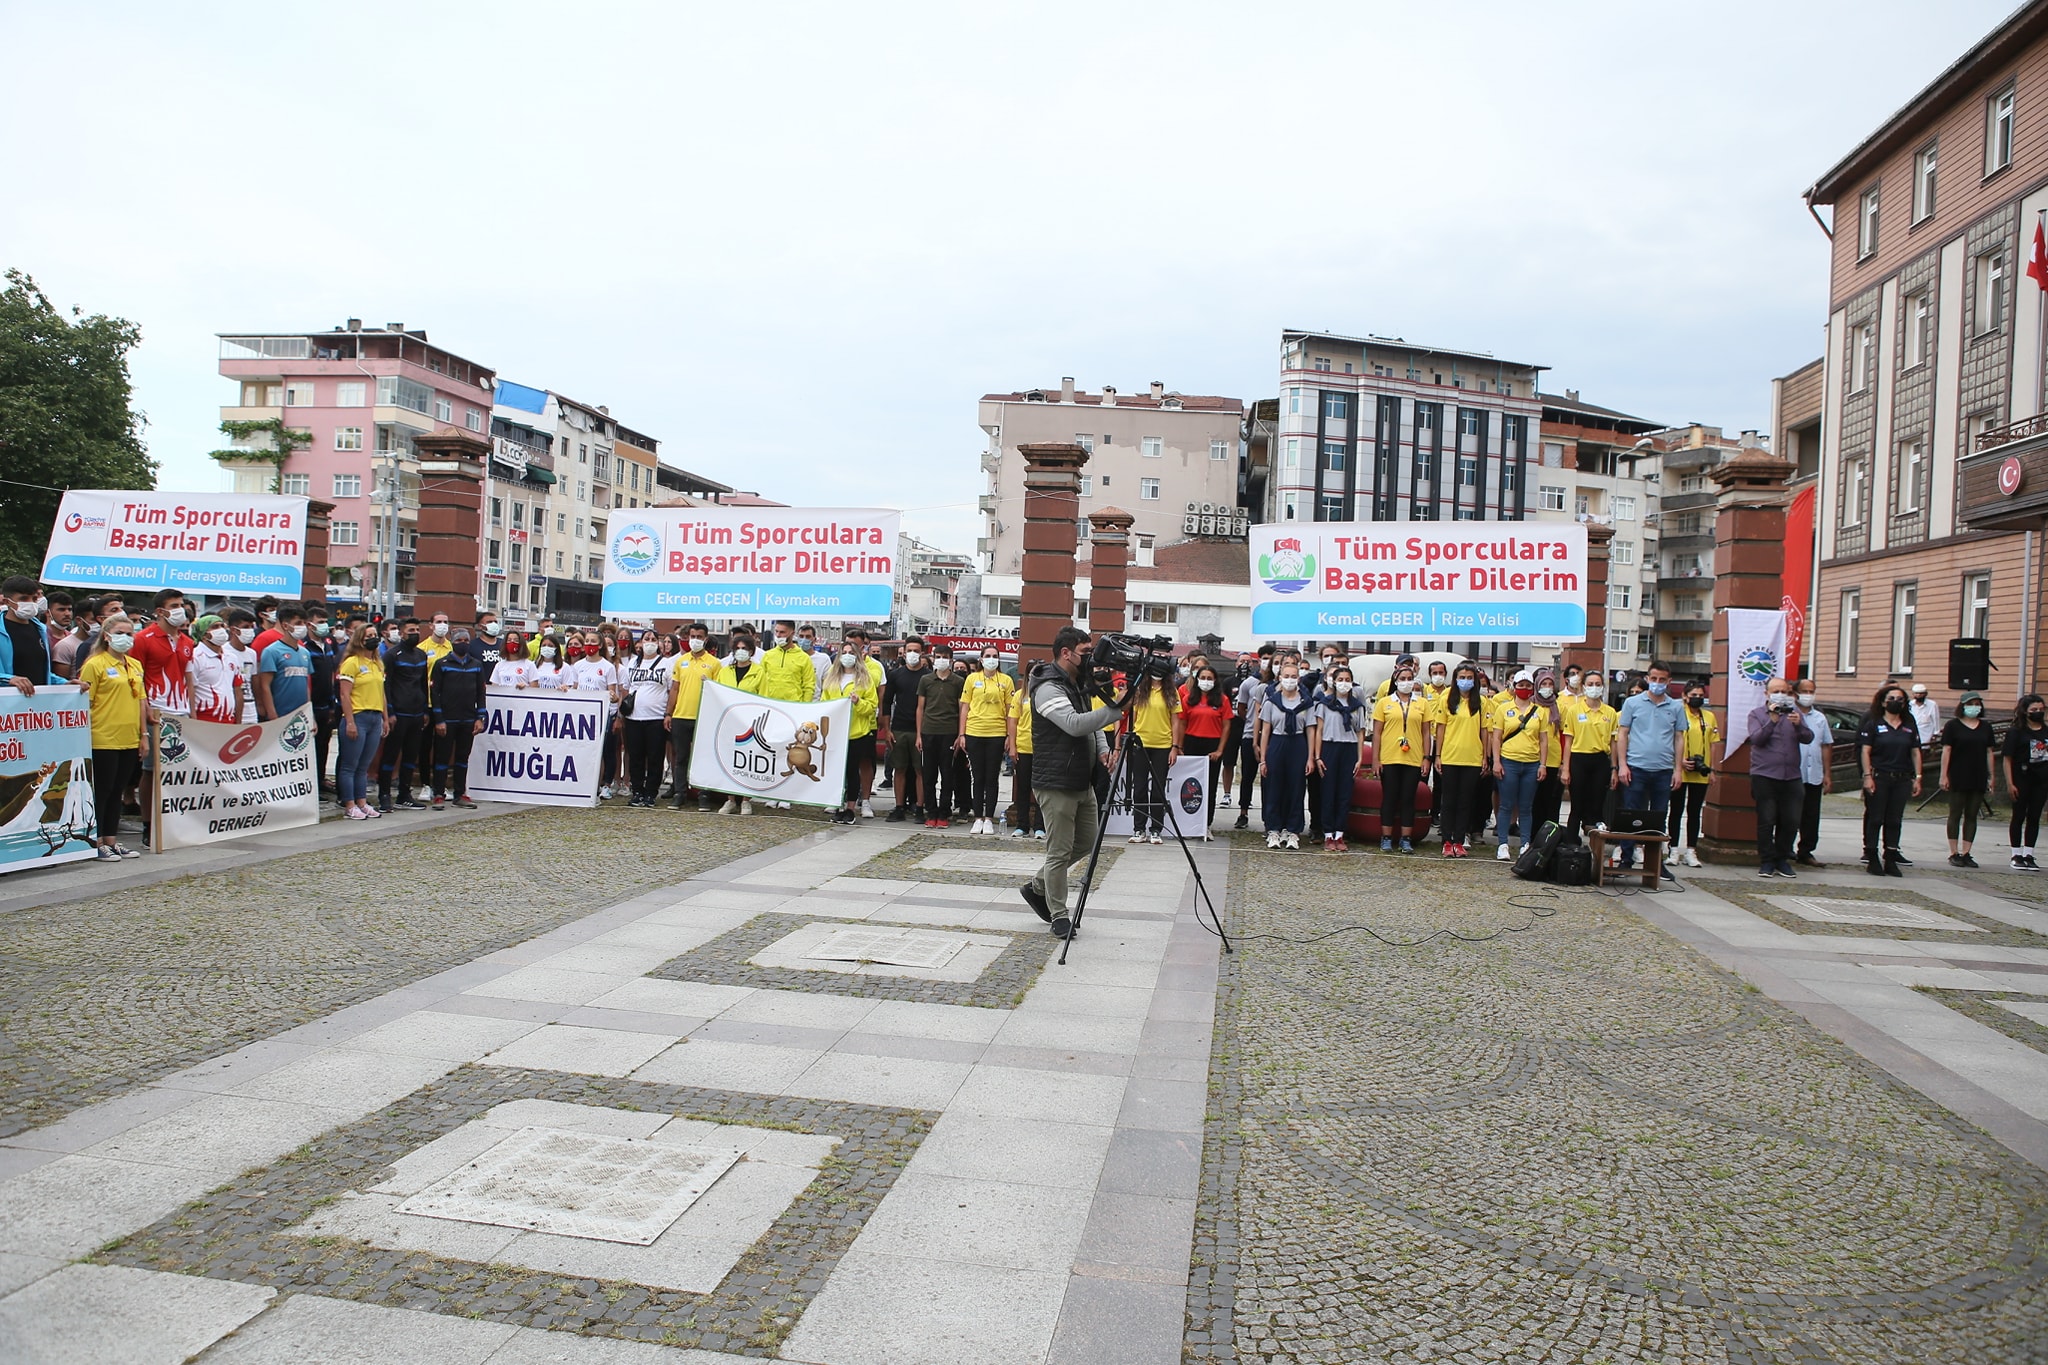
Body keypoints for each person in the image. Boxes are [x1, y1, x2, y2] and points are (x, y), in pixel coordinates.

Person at [1018, 627, 1124, 939]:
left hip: (1081, 778)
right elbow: (1075, 725)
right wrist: (1117, 710)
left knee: (1087, 841)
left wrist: (1103, 749)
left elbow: (1092, 724)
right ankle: (1059, 915)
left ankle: (1038, 886)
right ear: (1066, 653)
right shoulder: (1048, 687)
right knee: (1059, 851)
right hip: (1056, 782)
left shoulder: (1077, 683)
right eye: (1085, 652)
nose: (1091, 657)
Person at [77, 613, 145, 860]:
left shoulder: (134, 664)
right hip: (103, 736)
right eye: (119, 633)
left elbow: (141, 700)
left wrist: (143, 735)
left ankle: (111, 839)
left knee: (118, 790)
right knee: (103, 790)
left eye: (129, 633)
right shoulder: (95, 664)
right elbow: (85, 702)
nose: (125, 638)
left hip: (128, 737)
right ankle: (96, 841)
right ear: (106, 636)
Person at [1614, 662, 1687, 881]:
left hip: (1663, 769)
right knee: (1631, 816)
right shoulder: (1632, 703)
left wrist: (1678, 769)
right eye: (1653, 679)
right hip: (1636, 767)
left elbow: (1679, 738)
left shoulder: (1676, 707)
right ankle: (1626, 858)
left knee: (1659, 817)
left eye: (1662, 679)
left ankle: (1656, 863)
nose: (1657, 683)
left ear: (1669, 681)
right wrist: (1622, 765)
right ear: (1647, 678)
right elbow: (1622, 733)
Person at [1747, 678, 1813, 878]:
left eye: (1785, 691)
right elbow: (1756, 739)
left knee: (1791, 820)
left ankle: (1782, 858)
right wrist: (1772, 720)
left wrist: (1799, 725)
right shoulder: (1757, 714)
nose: (1781, 695)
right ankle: (1767, 861)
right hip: (1765, 774)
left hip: (1791, 776)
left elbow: (1808, 738)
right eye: (1776, 691)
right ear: (1766, 694)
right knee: (1767, 819)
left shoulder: (1795, 713)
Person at [1488, 669, 1555, 864]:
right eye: (1521, 685)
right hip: (1509, 761)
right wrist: (1497, 761)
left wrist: (1543, 764)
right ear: (1514, 686)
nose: (1524, 688)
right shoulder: (1503, 709)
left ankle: (1525, 843)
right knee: (1506, 805)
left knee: (1526, 806)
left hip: (1531, 763)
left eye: (1528, 685)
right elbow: (1496, 737)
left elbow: (1543, 740)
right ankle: (1503, 844)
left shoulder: (1539, 711)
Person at [1859, 682, 1921, 877]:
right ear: (1883, 702)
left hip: (1902, 778)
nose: (1896, 702)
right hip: (1880, 777)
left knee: (1894, 820)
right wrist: (1867, 776)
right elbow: (1865, 751)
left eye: (1900, 699)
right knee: (1876, 818)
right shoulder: (1874, 724)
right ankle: (1872, 856)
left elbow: (1916, 752)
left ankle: (1891, 857)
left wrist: (1918, 777)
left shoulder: (1908, 726)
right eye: (1891, 699)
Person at [958, 645, 1016, 835]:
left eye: (995, 656)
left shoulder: (1006, 680)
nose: (992, 659)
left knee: (992, 777)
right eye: (988, 656)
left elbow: (1010, 711)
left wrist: (1009, 736)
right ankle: (977, 818)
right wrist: (962, 734)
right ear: (981, 659)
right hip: (974, 731)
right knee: (978, 777)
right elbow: (965, 707)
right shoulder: (972, 679)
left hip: (996, 733)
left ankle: (989, 818)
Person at [1119, 666, 1180, 845]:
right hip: (1140, 743)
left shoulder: (1171, 691)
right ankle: (1139, 828)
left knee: (1158, 789)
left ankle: (1156, 829)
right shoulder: (1140, 690)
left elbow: (1175, 721)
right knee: (1139, 788)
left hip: (1163, 745)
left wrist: (1175, 747)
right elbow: (1131, 716)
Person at [1432, 663, 1487, 859]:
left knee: (1466, 801)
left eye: (1469, 677)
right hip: (1450, 756)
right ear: (1455, 679)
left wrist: (1485, 756)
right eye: (1462, 677)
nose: (1466, 681)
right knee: (1448, 801)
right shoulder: (1446, 698)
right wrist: (1438, 755)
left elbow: (1485, 730)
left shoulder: (1481, 701)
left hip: (1472, 758)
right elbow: (1440, 728)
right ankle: (1447, 841)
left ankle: (1459, 840)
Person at [1371, 663, 1429, 853]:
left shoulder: (1422, 703)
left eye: (1409, 679)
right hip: (1389, 757)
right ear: (1395, 681)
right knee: (1389, 797)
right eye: (1402, 679)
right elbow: (1377, 733)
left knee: (1408, 799)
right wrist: (1376, 759)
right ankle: (1386, 837)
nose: (1406, 682)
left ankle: (1406, 839)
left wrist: (1426, 757)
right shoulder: (1384, 702)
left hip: (1413, 758)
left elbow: (1426, 732)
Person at [1256, 660, 1313, 849]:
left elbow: (1310, 730)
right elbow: (1265, 731)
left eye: (1293, 676)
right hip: (1277, 743)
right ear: (1280, 678)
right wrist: (1263, 759)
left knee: (1296, 788)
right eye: (1286, 676)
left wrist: (1310, 757)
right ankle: (1273, 829)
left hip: (1297, 744)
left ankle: (1293, 830)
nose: (1290, 680)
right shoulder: (1272, 702)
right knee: (1274, 787)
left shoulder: (1306, 703)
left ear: (1299, 679)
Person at [335, 623, 389, 820]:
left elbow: (381, 693)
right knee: (350, 765)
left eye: (375, 635)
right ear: (360, 640)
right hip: (358, 716)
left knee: (364, 765)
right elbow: (344, 694)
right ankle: (349, 805)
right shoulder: (351, 663)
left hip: (375, 717)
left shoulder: (377, 663)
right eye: (369, 636)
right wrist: (350, 721)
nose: (373, 639)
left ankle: (362, 802)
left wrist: (385, 718)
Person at [822, 642, 880, 825]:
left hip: (856, 732)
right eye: (844, 652)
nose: (847, 656)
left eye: (851, 653)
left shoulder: (865, 679)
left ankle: (850, 808)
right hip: (836, 732)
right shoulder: (831, 678)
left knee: (852, 771)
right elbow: (824, 702)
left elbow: (872, 707)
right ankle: (838, 806)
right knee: (837, 772)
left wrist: (858, 702)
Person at [429, 626, 487, 809]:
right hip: (447, 719)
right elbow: (434, 693)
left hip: (468, 719)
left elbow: (481, 693)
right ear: (452, 643)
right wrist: (439, 719)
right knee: (442, 758)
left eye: (466, 640)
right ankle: (438, 794)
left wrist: (480, 717)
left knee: (463, 758)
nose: (463, 643)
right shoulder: (441, 664)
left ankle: (460, 793)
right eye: (459, 641)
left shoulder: (476, 665)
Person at [1310, 665, 1366, 851]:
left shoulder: (1357, 707)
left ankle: (1340, 834)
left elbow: (1360, 732)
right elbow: (1319, 731)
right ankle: (1328, 834)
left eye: (1347, 680)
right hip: (1329, 747)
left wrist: (1359, 758)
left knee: (1344, 793)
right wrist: (1318, 756)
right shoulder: (1324, 704)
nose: (1344, 683)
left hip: (1349, 749)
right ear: (1333, 682)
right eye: (1340, 680)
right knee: (1328, 792)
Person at [668, 622, 723, 810]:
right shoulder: (680, 661)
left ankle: (704, 795)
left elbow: (718, 691)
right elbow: (675, 688)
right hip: (681, 715)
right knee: (680, 758)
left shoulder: (715, 663)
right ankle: (679, 793)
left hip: (703, 717)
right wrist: (669, 713)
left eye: (699, 637)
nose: (695, 640)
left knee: (704, 759)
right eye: (693, 636)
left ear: (705, 639)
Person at [379, 621, 433, 811]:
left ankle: (404, 794)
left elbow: (423, 684)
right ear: (401, 633)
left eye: (417, 630)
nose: (415, 633)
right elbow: (386, 685)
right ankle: (384, 794)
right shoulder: (392, 655)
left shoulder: (421, 655)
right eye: (411, 631)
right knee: (391, 755)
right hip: (399, 713)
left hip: (416, 713)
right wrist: (390, 712)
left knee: (411, 755)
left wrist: (425, 710)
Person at [1938, 691, 1996, 869]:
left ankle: (1966, 852)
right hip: (1958, 774)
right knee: (1955, 813)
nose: (1974, 707)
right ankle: (1953, 852)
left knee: (1972, 814)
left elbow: (1989, 752)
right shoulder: (1952, 726)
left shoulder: (1985, 727)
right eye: (1970, 704)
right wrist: (1944, 774)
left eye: (1977, 704)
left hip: (1978, 775)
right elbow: (1946, 750)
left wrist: (1992, 776)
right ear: (1962, 706)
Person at [714, 627, 766, 815]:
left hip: (749, 723)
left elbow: (764, 696)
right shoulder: (725, 671)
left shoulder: (759, 672)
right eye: (738, 648)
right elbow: (717, 693)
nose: (741, 651)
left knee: (747, 761)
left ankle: (745, 800)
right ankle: (730, 799)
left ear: (751, 651)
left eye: (744, 648)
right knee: (729, 761)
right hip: (729, 722)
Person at [618, 632, 673, 807]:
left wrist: (668, 714)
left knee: (655, 757)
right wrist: (623, 712)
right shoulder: (633, 663)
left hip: (656, 717)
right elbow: (626, 689)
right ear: (640, 643)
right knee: (636, 757)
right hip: (634, 717)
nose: (649, 642)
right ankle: (637, 791)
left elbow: (671, 690)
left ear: (658, 643)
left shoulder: (666, 664)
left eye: (653, 640)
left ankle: (651, 792)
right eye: (646, 639)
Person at [1667, 680, 1719, 868]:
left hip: (1700, 771)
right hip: (1679, 770)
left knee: (1695, 811)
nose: (1697, 698)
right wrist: (1679, 761)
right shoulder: (1677, 713)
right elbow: (1670, 738)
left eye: (1701, 695)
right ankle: (1673, 849)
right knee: (1676, 810)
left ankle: (1691, 850)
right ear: (1684, 696)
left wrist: (1711, 769)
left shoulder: (1709, 717)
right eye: (1693, 695)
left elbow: (1713, 744)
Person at [1179, 662, 1232, 836]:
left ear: (1215, 681)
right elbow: (1182, 723)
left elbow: (1226, 726)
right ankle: (1188, 823)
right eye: (1203, 678)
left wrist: (1220, 750)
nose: (1206, 681)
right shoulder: (1188, 699)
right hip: (1191, 743)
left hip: (1212, 745)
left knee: (1209, 787)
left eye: (1209, 678)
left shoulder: (1222, 700)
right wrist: (1179, 746)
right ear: (1197, 679)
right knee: (1189, 787)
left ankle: (1206, 824)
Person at [916, 645, 965, 829]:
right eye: (938, 656)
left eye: (945, 657)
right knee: (929, 775)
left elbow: (962, 709)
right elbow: (920, 708)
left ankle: (944, 812)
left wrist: (960, 734)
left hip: (949, 732)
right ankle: (931, 812)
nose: (941, 660)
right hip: (929, 731)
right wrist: (919, 735)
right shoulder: (926, 680)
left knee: (947, 775)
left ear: (951, 660)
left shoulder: (958, 681)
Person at [1563, 672, 1617, 839]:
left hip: (1600, 760)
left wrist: (1614, 768)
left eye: (1598, 684)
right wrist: (1565, 768)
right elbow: (1568, 742)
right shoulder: (1574, 711)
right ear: (1584, 687)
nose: (1594, 688)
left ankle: (1595, 845)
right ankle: (1571, 842)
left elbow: (1613, 743)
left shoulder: (1610, 712)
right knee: (1577, 805)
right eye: (1590, 684)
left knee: (1597, 805)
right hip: (1579, 759)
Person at [882, 635, 930, 822]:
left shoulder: (928, 676)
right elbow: (887, 703)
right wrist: (887, 730)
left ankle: (920, 808)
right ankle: (899, 807)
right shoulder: (895, 675)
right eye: (909, 650)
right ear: (903, 652)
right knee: (899, 769)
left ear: (922, 653)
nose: (912, 654)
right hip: (899, 728)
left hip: (922, 730)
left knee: (920, 771)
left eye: (916, 651)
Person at [1791, 680, 1834, 866]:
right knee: (1790, 813)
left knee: (1811, 814)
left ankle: (1806, 850)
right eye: (1804, 691)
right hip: (1794, 773)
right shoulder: (1790, 714)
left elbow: (1826, 745)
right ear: (1795, 693)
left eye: (1811, 691)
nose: (1808, 695)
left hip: (1814, 773)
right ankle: (1786, 848)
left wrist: (1827, 774)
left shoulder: (1820, 718)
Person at [2006, 694, 2048, 870]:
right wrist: (2010, 783)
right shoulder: (2016, 731)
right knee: (2019, 815)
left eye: (2041, 709)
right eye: (2034, 710)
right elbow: (2007, 758)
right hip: (2021, 778)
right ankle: (2016, 853)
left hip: (2042, 780)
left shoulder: (2046, 731)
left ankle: (2029, 853)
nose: (2038, 712)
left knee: (2034, 816)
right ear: (2025, 711)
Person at [0, 577, 61, 691]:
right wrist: (8, 679)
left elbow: (42, 673)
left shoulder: (41, 630)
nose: (30, 603)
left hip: (38, 700)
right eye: (23, 599)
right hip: (7, 700)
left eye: (34, 599)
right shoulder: (2, 630)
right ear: (7, 601)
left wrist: (65, 683)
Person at [1232, 653, 1270, 829]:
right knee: (1247, 776)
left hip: (1269, 736)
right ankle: (1243, 812)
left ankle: (1268, 817)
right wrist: (1250, 721)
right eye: (1265, 658)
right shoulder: (1248, 684)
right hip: (1250, 734)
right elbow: (1241, 707)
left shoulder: (1275, 684)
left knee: (1268, 778)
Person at [254, 610, 313, 721]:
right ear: (285, 625)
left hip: (301, 715)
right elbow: (265, 685)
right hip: (280, 713)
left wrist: (310, 714)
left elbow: (306, 685)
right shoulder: (271, 651)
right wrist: (272, 713)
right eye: (298, 623)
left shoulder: (305, 652)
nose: (303, 626)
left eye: (304, 623)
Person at [1006, 670, 1044, 839]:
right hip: (1023, 747)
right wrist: (1012, 746)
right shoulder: (1020, 695)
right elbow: (1013, 721)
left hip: (1043, 749)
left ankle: (1040, 826)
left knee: (1042, 789)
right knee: (1023, 788)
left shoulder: (1047, 694)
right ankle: (1022, 825)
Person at [187, 614, 245, 724]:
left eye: (222, 626)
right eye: (215, 627)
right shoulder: (195, 657)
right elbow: (190, 690)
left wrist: (238, 722)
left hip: (229, 721)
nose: (221, 630)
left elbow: (237, 690)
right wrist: (193, 722)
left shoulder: (231, 657)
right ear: (204, 634)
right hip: (204, 721)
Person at [1908, 683, 1941, 754]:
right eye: (1916, 693)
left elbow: (1936, 719)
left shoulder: (1932, 704)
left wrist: (1935, 734)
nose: (1919, 695)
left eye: (1921, 693)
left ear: (1925, 694)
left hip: (1926, 737)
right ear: (1913, 694)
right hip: (1913, 736)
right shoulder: (1910, 705)